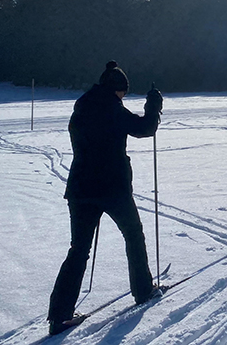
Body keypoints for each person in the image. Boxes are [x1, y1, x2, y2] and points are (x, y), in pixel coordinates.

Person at [47, 61, 164, 335]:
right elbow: (145, 128)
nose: (123, 97)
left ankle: (60, 316)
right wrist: (154, 106)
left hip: (81, 188)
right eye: (123, 92)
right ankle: (143, 290)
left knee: (78, 250)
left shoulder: (82, 106)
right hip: (112, 188)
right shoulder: (112, 108)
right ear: (117, 90)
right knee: (133, 234)